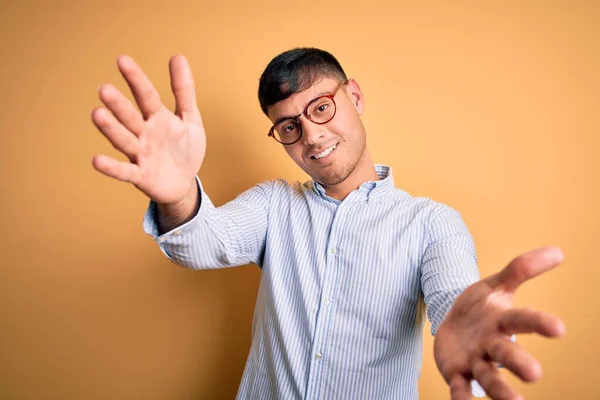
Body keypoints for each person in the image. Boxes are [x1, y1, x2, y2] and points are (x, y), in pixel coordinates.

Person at [91, 47, 566, 400]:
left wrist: (476, 328)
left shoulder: (430, 223)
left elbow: (454, 301)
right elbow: (200, 245)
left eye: (321, 107)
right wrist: (177, 195)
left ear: (354, 96)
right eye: (289, 127)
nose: (312, 136)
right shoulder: (273, 204)